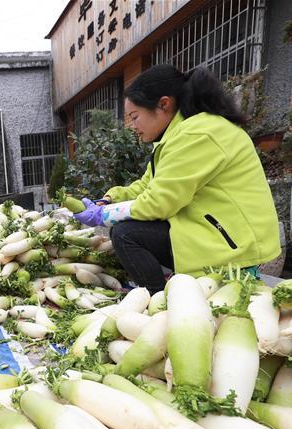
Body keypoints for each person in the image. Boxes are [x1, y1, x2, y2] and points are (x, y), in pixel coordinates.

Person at [73, 65, 280, 293]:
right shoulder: (178, 135)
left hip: (230, 244)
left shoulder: (198, 135)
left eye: (135, 117)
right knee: (128, 229)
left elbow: (159, 202)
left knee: (126, 234)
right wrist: (110, 199)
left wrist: (105, 215)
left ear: (164, 104)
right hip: (211, 232)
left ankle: (157, 297)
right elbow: (147, 185)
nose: (133, 127)